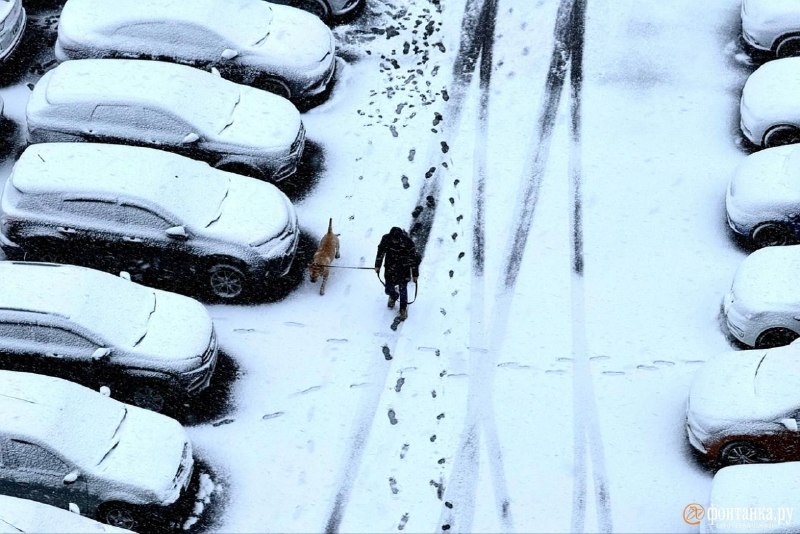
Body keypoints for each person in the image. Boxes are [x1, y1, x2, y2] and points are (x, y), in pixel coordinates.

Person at [374, 227, 420, 321]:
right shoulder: (386, 239)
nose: (395, 242)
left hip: (404, 269)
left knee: (403, 289)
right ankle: (393, 296)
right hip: (390, 268)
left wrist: (415, 274)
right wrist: (377, 265)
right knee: (388, 288)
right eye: (393, 240)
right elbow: (380, 252)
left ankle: (403, 309)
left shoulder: (408, 243)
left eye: (396, 240)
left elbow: (414, 260)